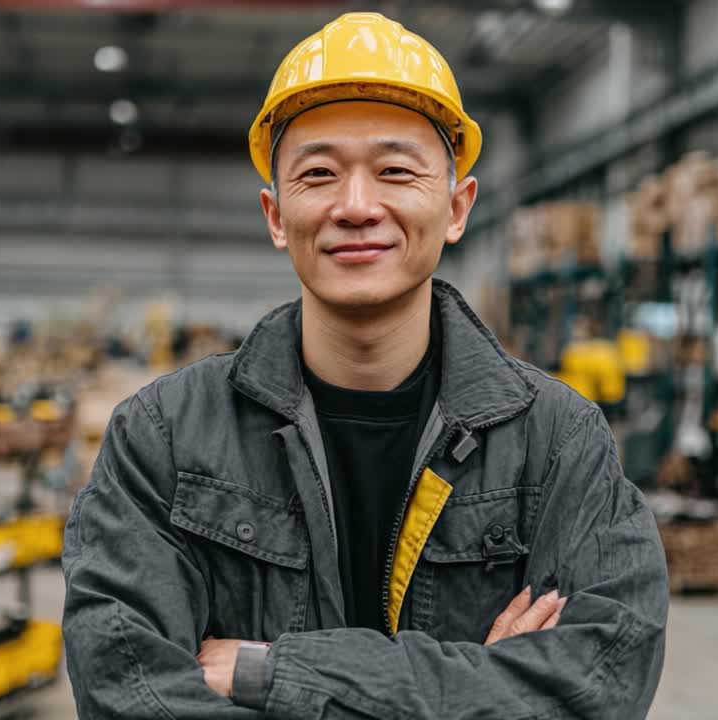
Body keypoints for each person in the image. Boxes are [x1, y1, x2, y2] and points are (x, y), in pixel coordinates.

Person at [62, 12, 668, 719]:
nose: (356, 207)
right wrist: (481, 680)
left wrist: (274, 672)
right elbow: (124, 690)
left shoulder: (556, 443)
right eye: (318, 174)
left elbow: (600, 685)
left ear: (455, 206)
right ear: (276, 215)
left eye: (394, 171)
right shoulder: (164, 438)